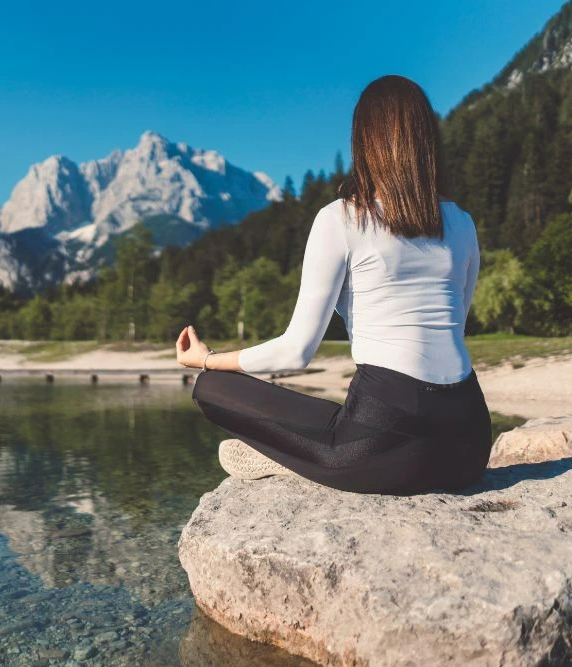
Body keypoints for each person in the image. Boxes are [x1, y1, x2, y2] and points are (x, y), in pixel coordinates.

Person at [174, 75, 491, 495]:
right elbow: (456, 325)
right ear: (427, 140)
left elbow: (296, 351)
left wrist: (207, 359)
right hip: (468, 447)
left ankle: (301, 461)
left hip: (380, 449)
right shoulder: (462, 223)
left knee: (213, 389)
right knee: (351, 419)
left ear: (364, 141)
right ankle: (317, 455)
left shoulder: (342, 218)